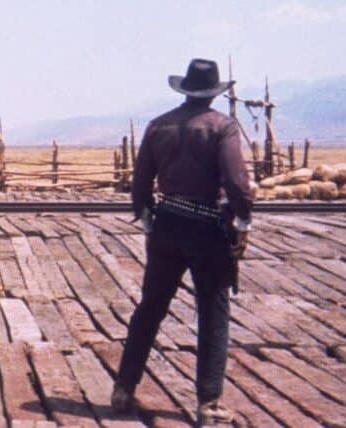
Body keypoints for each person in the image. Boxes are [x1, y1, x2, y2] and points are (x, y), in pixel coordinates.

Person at [111, 58, 253, 425]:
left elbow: (140, 186)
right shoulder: (223, 127)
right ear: (213, 93)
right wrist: (243, 220)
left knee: (150, 308)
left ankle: (123, 388)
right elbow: (238, 184)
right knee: (213, 312)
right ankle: (209, 404)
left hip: (166, 226)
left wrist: (148, 223)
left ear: (185, 89)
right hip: (208, 231)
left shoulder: (159, 126)